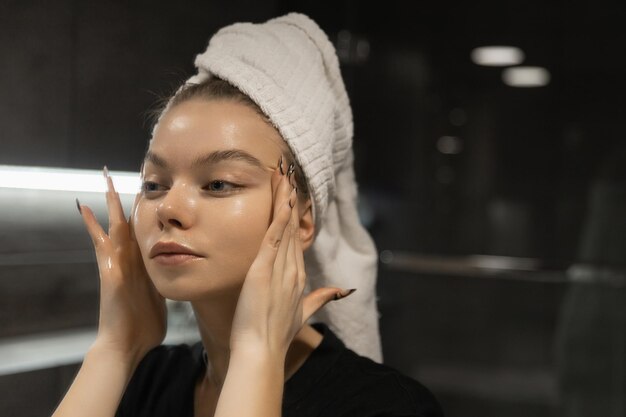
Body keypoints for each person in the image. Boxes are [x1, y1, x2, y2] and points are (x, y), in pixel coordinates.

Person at [51, 12, 443, 417]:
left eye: (219, 184)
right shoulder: (145, 381)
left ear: (302, 220)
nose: (168, 208)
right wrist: (117, 347)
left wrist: (258, 353)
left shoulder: (385, 407)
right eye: (154, 184)